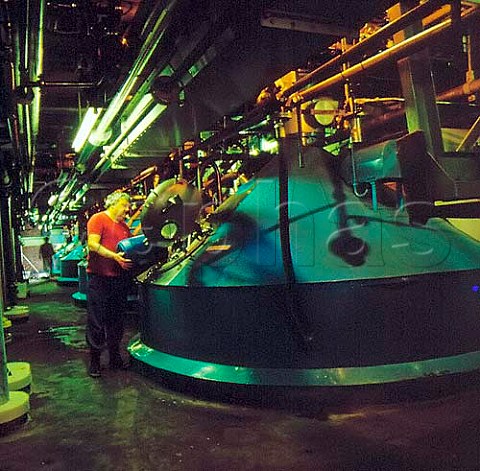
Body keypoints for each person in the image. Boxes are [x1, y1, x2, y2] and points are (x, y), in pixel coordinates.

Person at [86, 191, 133, 378]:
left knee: (116, 322)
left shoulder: (124, 227)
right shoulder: (98, 219)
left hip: (118, 280)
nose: (127, 210)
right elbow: (92, 244)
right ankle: (95, 361)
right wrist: (114, 256)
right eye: (125, 206)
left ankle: (114, 357)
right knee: (97, 322)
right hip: (99, 280)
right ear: (114, 204)